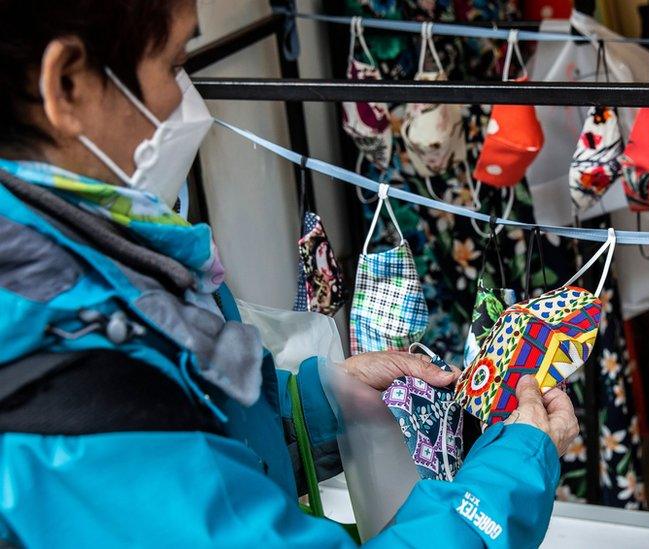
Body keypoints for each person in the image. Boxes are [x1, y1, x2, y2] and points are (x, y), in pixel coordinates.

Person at [0, 1, 578, 547]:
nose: (191, 101)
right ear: (68, 85)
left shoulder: (93, 272)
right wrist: (509, 476)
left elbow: (203, 447)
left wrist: (327, 400)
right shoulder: (85, 402)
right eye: (175, 64)